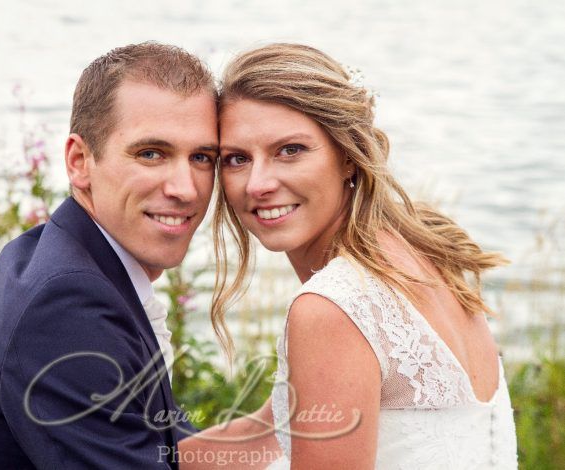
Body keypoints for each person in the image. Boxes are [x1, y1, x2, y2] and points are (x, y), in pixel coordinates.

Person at [185, 43, 518, 468]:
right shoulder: (422, 256)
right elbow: (267, 432)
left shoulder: (334, 309)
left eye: (290, 150)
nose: (258, 183)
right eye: (236, 159)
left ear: (347, 156)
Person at [0, 42, 218, 469]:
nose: (185, 188)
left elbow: (165, 446)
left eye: (202, 157)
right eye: (151, 153)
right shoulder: (66, 307)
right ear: (79, 161)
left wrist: (279, 423)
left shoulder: (59, 258)